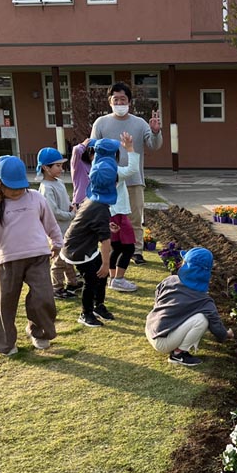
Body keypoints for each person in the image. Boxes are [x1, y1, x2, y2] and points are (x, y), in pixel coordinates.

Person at [0, 155, 63, 356]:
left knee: (44, 296)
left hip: (38, 257)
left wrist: (57, 242)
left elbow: (50, 223)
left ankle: (39, 333)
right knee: (6, 302)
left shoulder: (36, 198)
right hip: (9, 262)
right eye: (11, 187)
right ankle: (5, 343)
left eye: (20, 186)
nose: (16, 191)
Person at [91, 81, 162, 265]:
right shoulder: (101, 122)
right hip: (108, 182)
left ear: (129, 102)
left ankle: (136, 251)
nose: (120, 103)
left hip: (133, 179)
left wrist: (155, 132)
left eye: (123, 99)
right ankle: (113, 247)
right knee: (109, 217)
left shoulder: (139, 123)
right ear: (110, 101)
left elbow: (154, 145)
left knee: (135, 217)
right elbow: (93, 149)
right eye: (116, 99)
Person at [60, 138, 119, 328]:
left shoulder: (94, 200)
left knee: (101, 277)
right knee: (93, 279)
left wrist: (106, 226)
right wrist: (106, 263)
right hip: (77, 249)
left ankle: (98, 306)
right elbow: (105, 242)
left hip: (84, 244)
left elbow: (91, 223)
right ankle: (85, 313)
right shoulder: (100, 207)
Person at [145, 247, 234, 366]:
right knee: (201, 320)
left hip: (151, 328)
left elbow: (157, 299)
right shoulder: (204, 300)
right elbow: (216, 326)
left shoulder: (170, 280)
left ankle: (174, 343)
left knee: (190, 314)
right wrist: (226, 335)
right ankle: (178, 354)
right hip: (162, 343)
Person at [37, 147, 80, 299]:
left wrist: (71, 207)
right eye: (57, 166)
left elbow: (66, 200)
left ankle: (73, 282)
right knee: (59, 260)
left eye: (61, 165)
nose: (61, 168)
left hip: (67, 227)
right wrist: (71, 214)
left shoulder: (59, 182)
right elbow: (53, 212)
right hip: (56, 229)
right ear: (45, 168)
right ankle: (57, 287)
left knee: (68, 256)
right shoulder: (45, 188)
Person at [108, 132, 140, 292]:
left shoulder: (97, 170)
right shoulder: (115, 171)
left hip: (107, 213)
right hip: (119, 213)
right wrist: (130, 148)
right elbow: (133, 168)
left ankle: (113, 278)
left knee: (116, 247)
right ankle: (118, 280)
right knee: (128, 248)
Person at [70, 138, 96, 208]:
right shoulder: (78, 164)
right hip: (80, 202)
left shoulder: (93, 165)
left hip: (93, 202)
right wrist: (83, 145)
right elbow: (76, 150)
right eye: (93, 153)